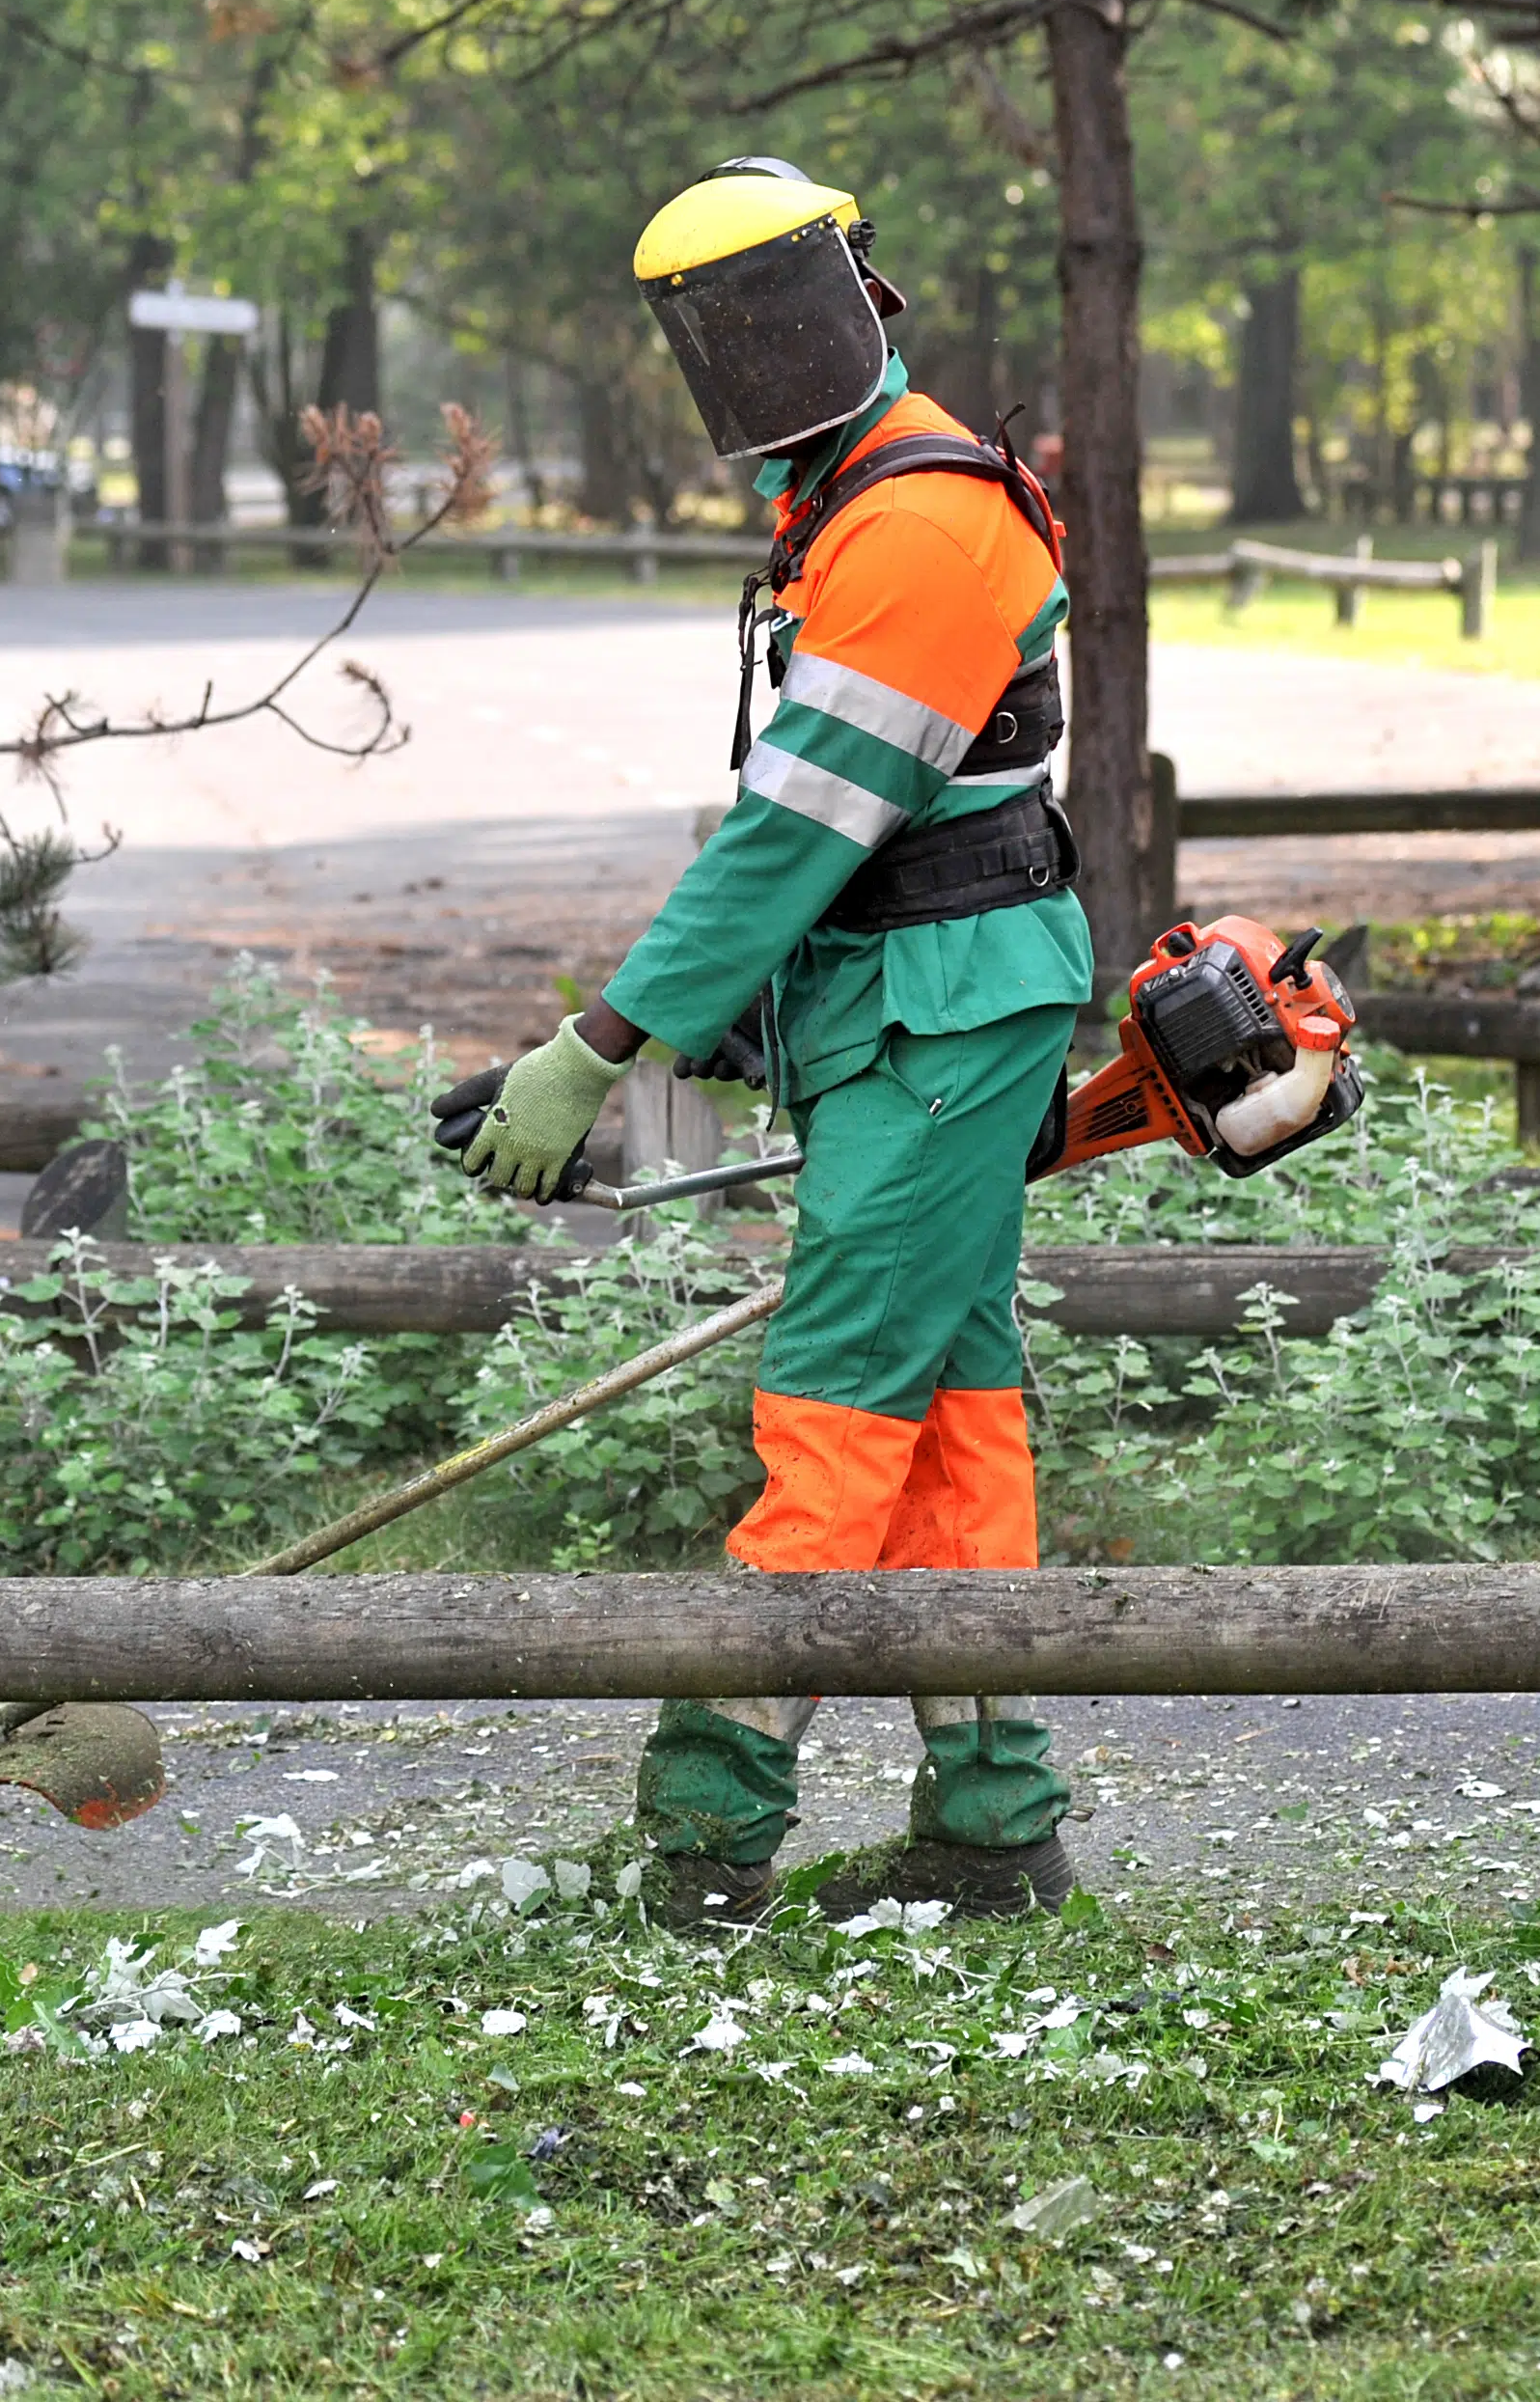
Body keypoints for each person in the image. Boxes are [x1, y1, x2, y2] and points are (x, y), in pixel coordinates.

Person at [444, 158, 1093, 1925]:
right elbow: (834, 828)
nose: (748, 353)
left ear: (859, 293)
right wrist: (725, 1018)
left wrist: (605, 1043)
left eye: (768, 305)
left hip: (946, 1010)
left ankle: (707, 1843)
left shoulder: (920, 526)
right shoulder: (852, 501)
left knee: (833, 1404)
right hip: (914, 1001)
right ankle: (995, 1825)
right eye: (713, 329)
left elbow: (799, 833)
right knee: (955, 1411)